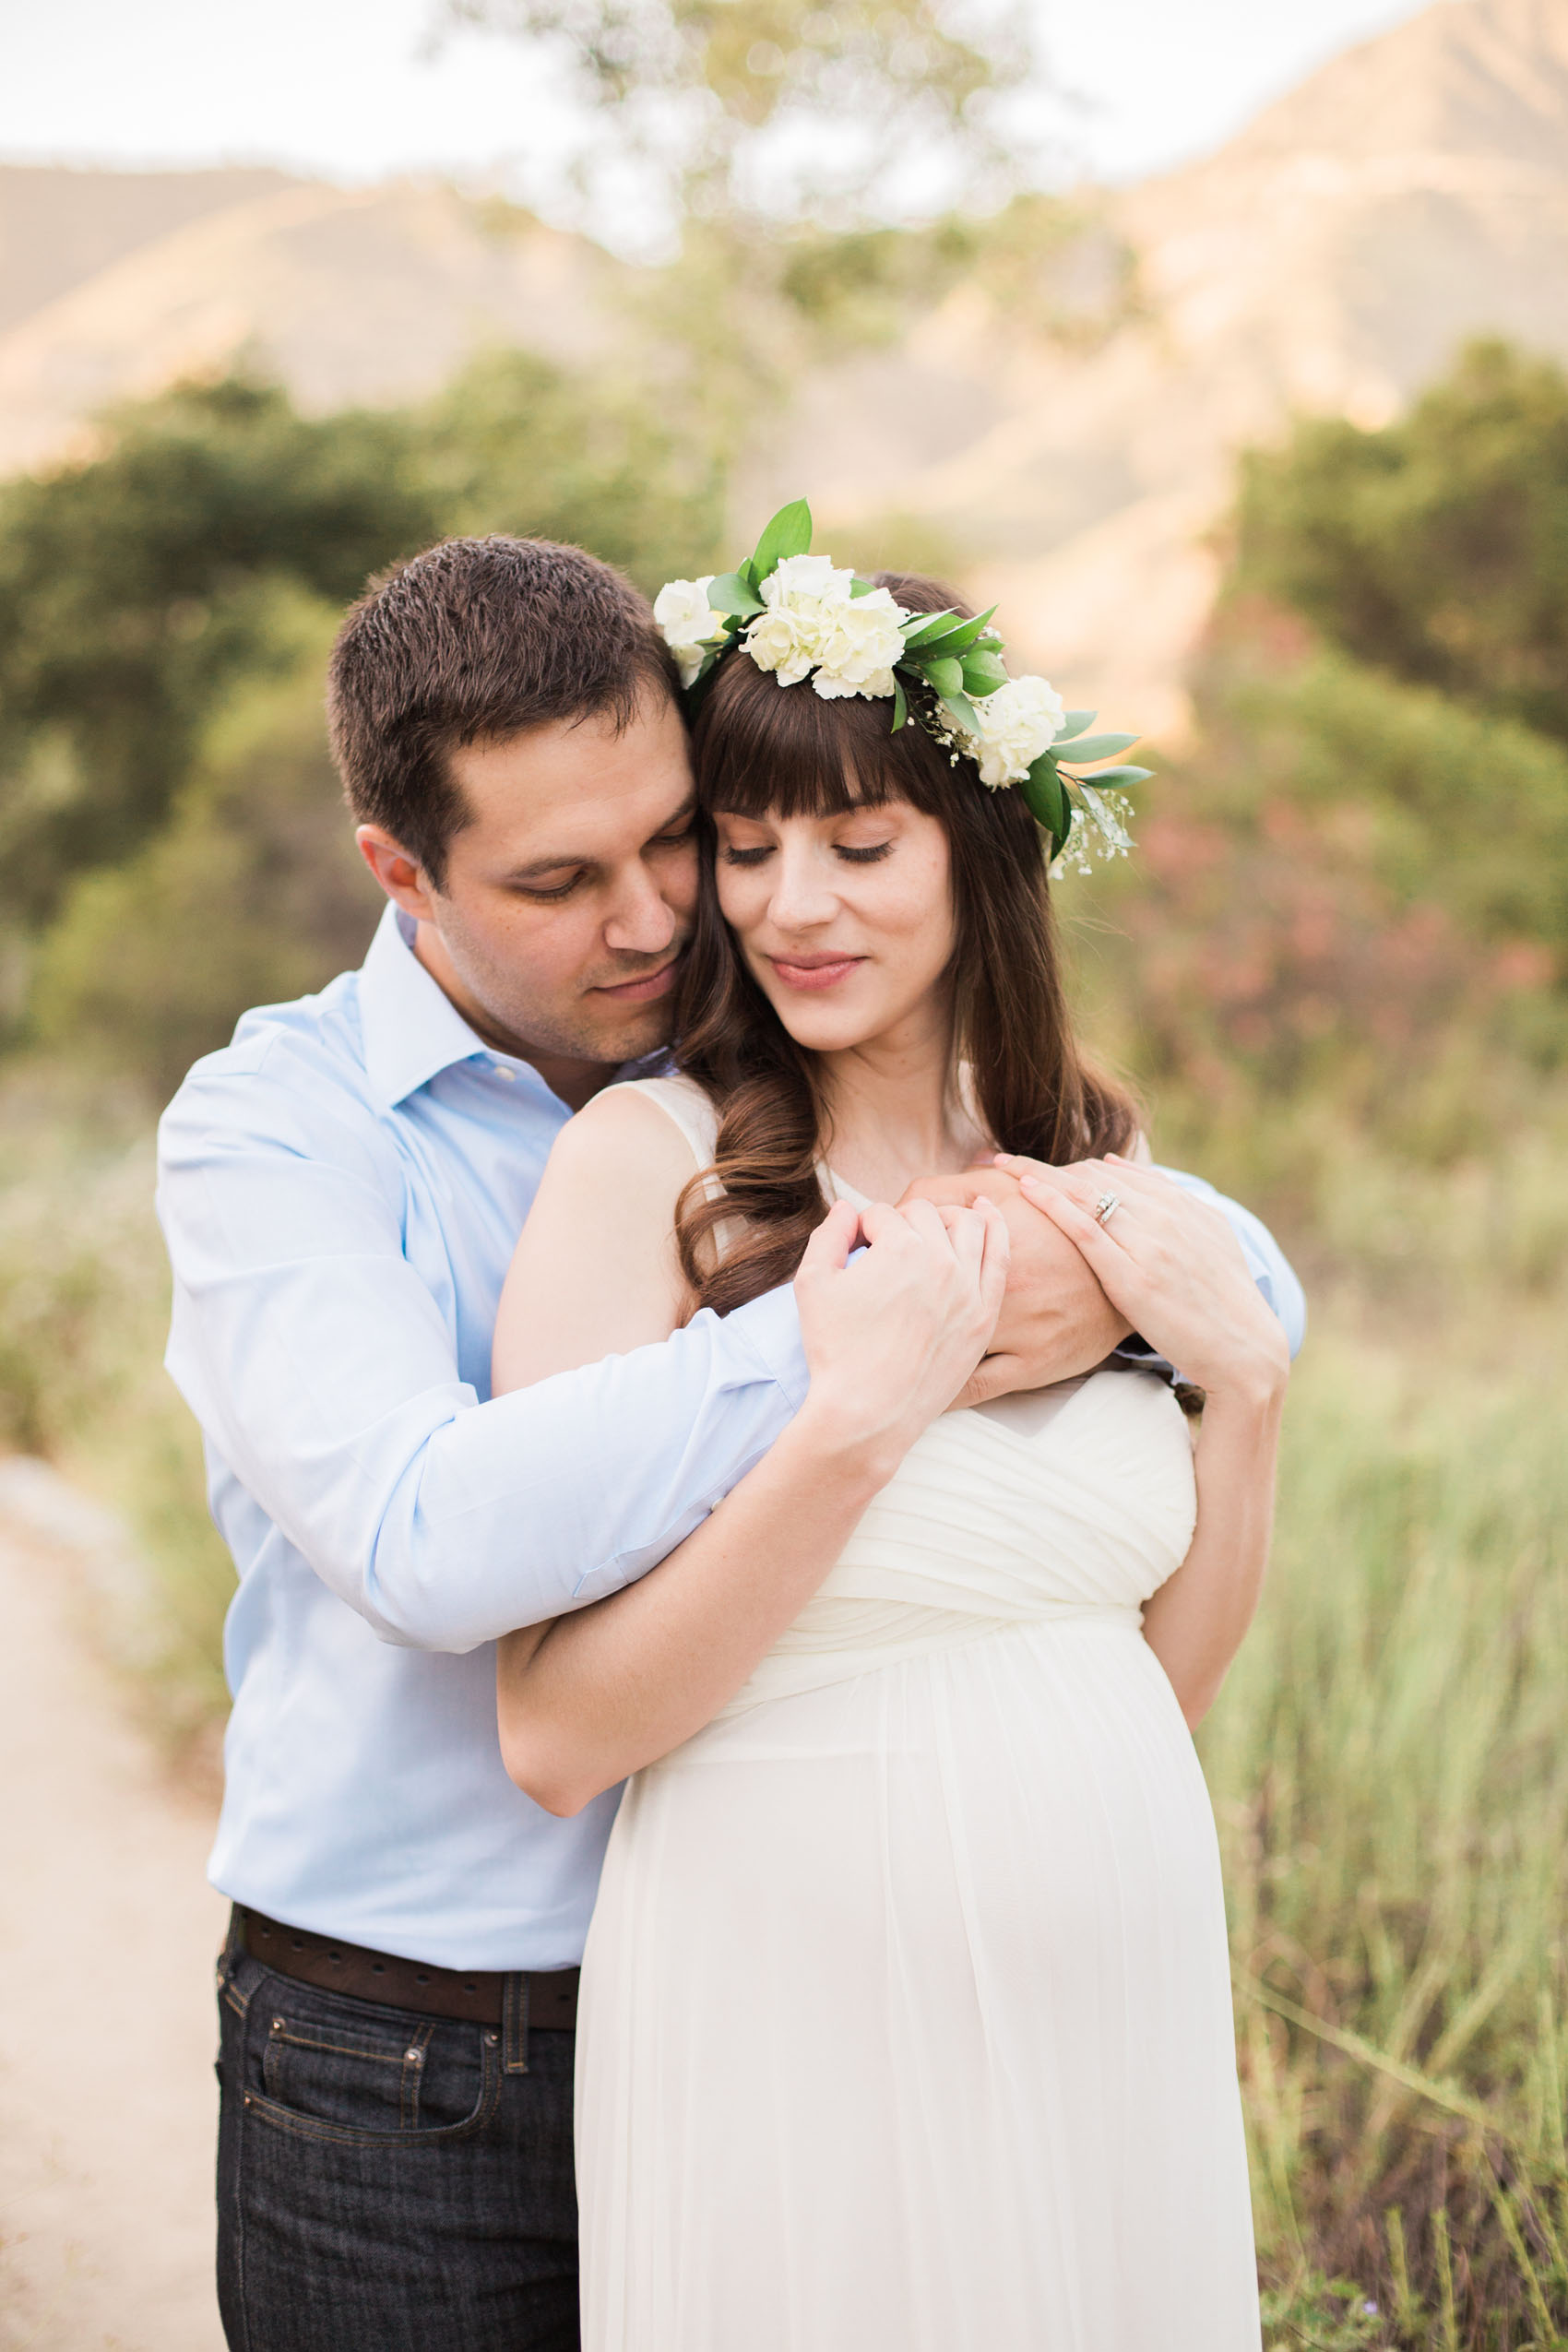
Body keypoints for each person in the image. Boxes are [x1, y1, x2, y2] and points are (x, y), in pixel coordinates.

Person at [156, 531, 1301, 2352]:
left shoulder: (1051, 1161)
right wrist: (864, 1353)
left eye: (680, 838)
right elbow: (432, 1545)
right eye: (561, 878)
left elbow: (1170, 1450)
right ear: (403, 872)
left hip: (1043, 2031)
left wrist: (1218, 1332)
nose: (674, 916)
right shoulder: (293, 1132)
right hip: (424, 2043)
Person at [491, 538, 1291, 2348]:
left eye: (859, 847)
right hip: (788, 2021)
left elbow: (1146, 1680)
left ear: (979, 853)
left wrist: (1243, 1396)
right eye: (751, 848)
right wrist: (850, 1426)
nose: (791, 907)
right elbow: (551, 1734)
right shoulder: (647, 1170)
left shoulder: (1097, 1159)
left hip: (1113, 2009)